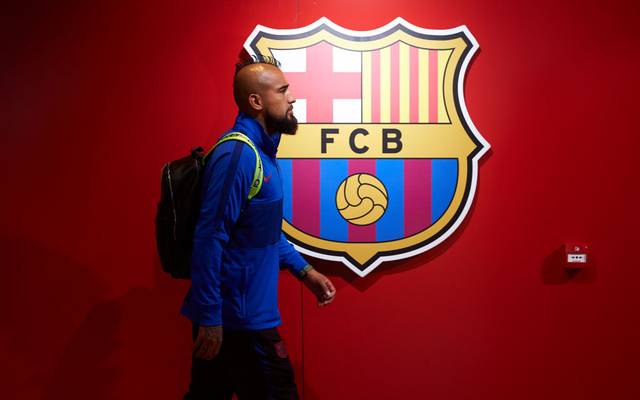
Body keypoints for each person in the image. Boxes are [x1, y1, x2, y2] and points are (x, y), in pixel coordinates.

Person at [181, 55, 336, 399]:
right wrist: (210, 317)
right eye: (282, 91)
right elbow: (209, 237)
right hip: (237, 319)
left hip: (242, 314)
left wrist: (305, 271)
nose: (292, 98)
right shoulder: (238, 155)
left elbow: (262, 232)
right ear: (256, 101)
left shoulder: (264, 154)